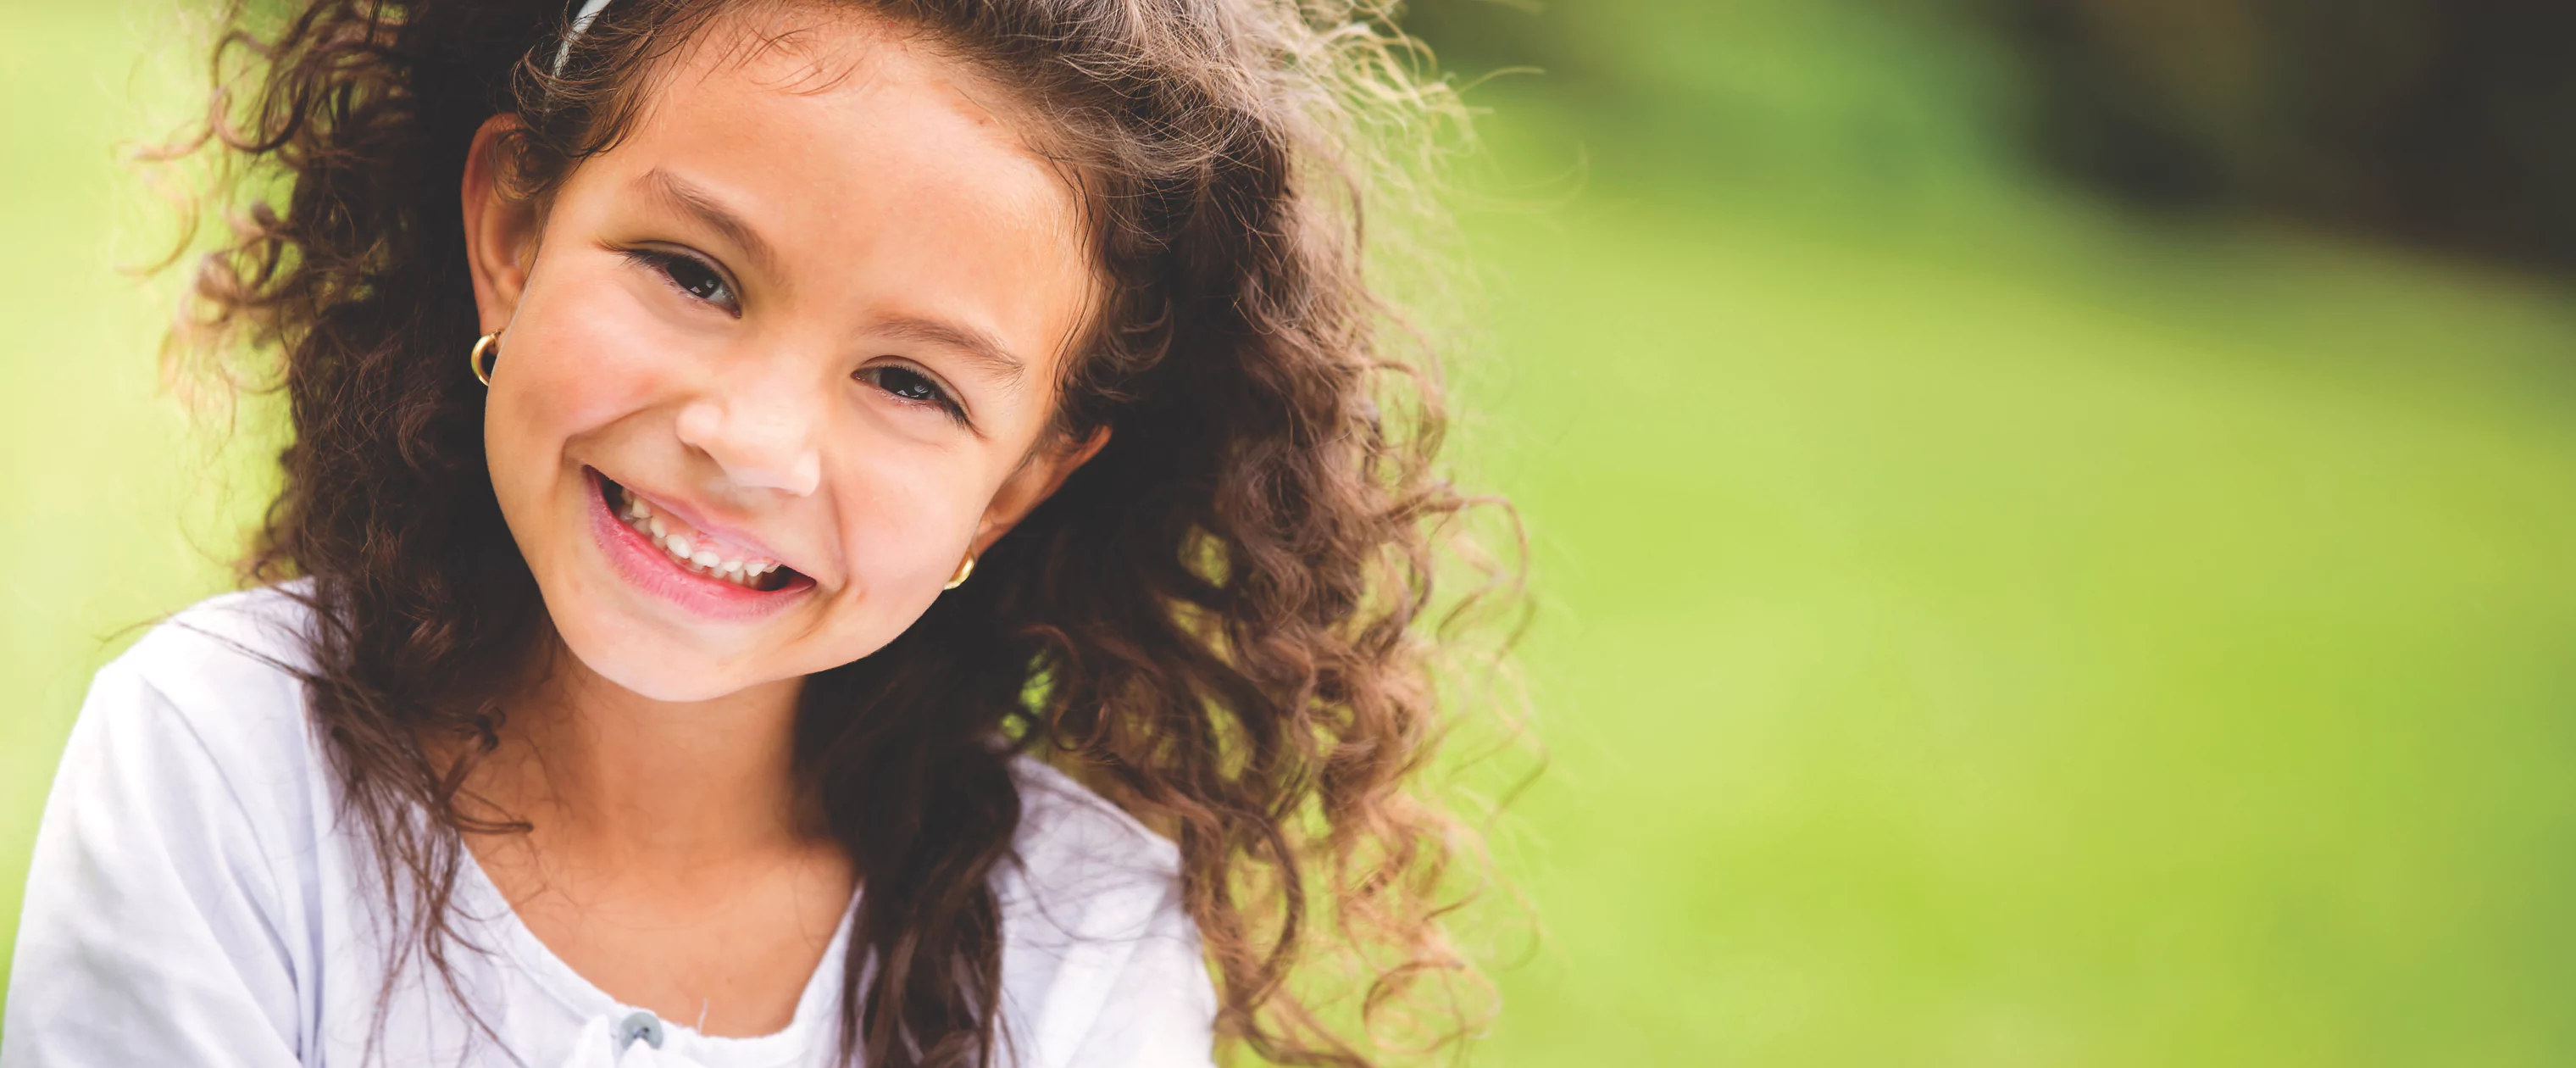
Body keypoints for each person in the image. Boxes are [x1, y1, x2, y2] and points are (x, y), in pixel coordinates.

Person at [0, 0, 1512, 1065]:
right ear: (513, 238)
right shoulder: (227, 758)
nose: (753, 440)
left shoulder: (1083, 945)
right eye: (695, 274)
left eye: (910, 383)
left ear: (1019, 483)